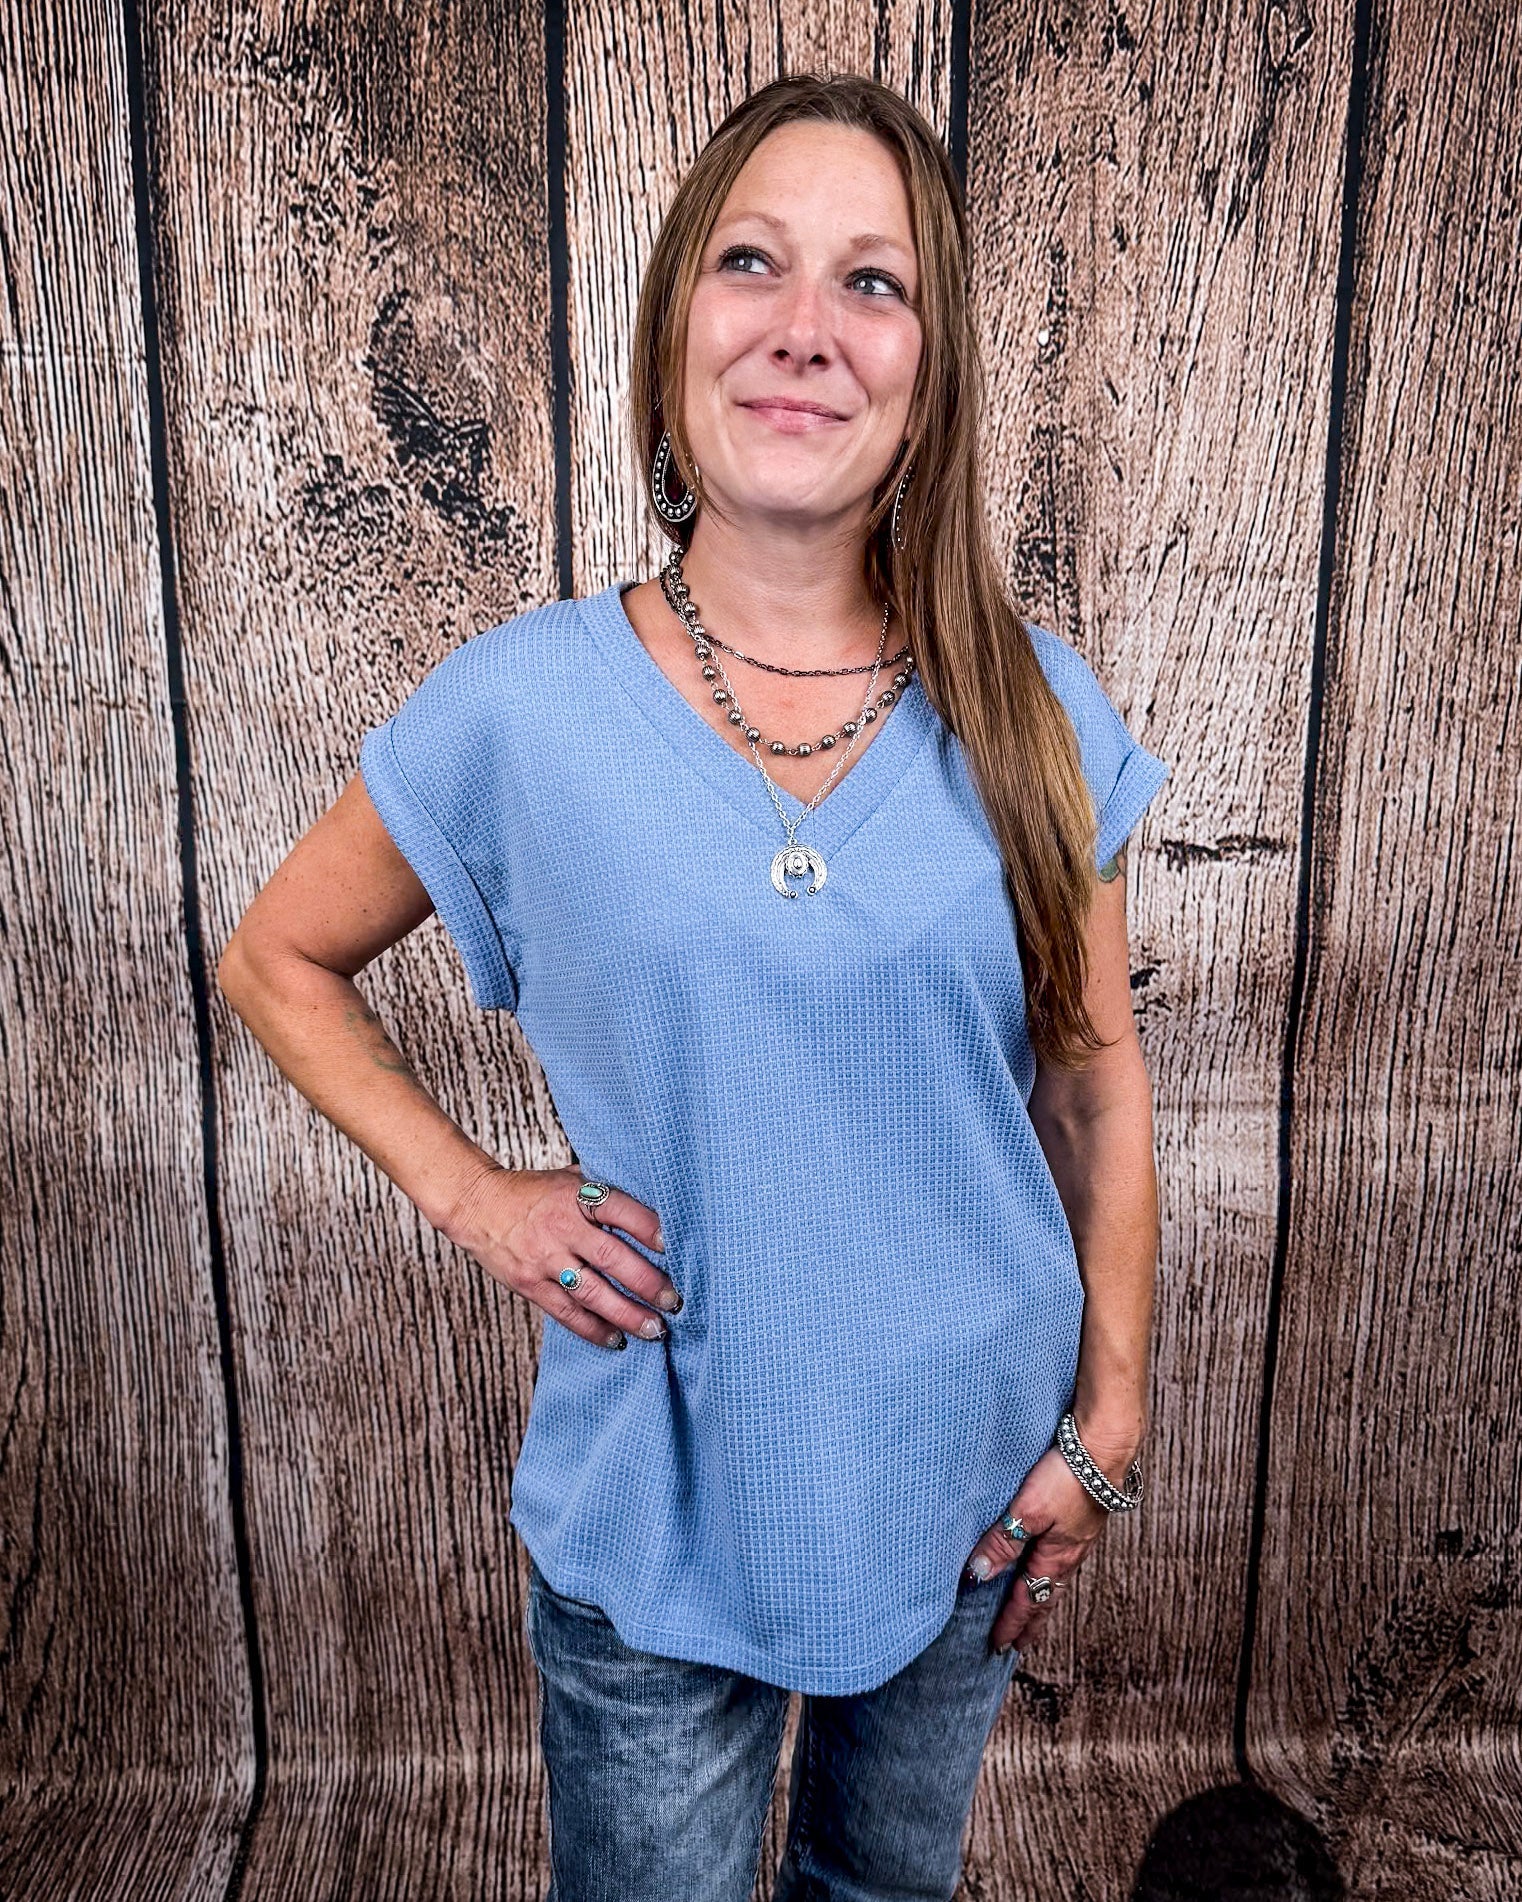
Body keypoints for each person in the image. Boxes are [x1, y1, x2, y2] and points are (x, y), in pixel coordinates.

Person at [218, 71, 1171, 1902]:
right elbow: (278, 956)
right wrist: (476, 1193)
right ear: (670, 334)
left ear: (930, 375)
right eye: (752, 263)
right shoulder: (522, 710)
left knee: (881, 1888)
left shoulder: (1037, 711)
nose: (805, 327)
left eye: (871, 282)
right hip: (660, 1503)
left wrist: (1105, 1417)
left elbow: (1091, 1078)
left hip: (972, 1487)